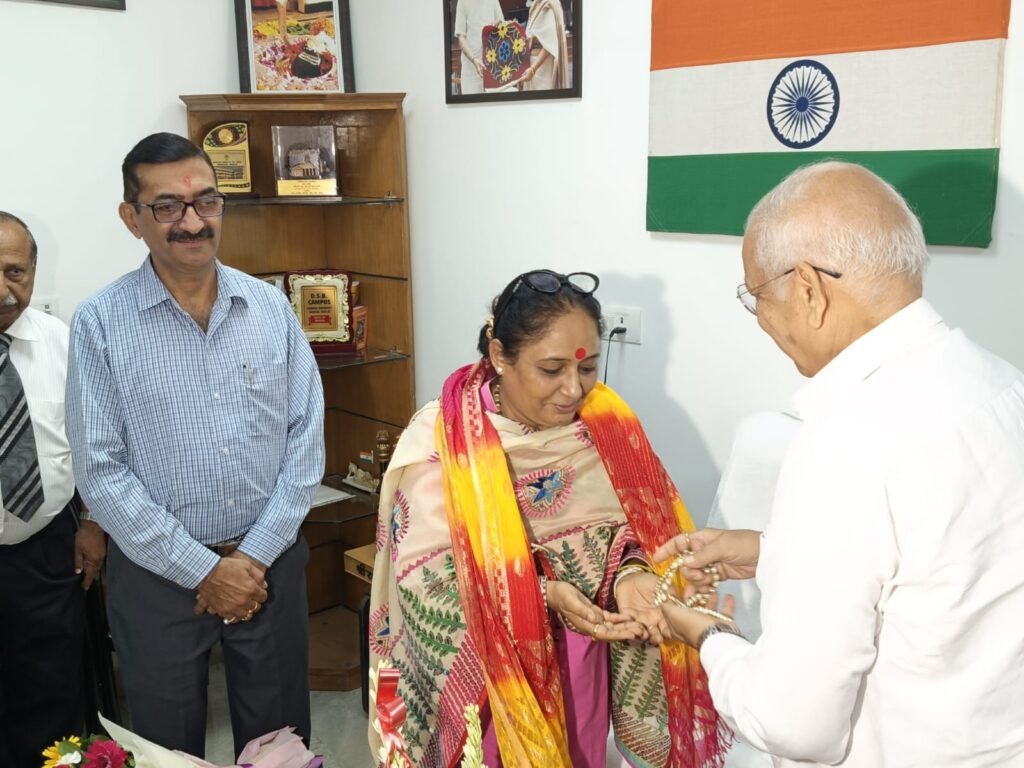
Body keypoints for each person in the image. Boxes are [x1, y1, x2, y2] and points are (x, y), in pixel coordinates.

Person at [655, 162, 1024, 767]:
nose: (762, 321)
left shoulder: (848, 443)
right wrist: (770, 550)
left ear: (807, 289)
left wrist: (708, 636)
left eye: (756, 297)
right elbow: (938, 571)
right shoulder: (1000, 383)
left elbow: (794, 724)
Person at [367, 269, 729, 768]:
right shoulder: (442, 445)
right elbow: (424, 582)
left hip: (581, 659)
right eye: (552, 369)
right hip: (489, 678)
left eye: (587, 368)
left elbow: (634, 530)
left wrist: (631, 576)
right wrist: (540, 595)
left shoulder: (605, 425)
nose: (573, 390)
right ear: (499, 356)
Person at [65, 133, 325, 759]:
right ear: (131, 218)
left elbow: (306, 440)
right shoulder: (100, 323)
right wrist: (204, 569)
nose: (191, 221)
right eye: (166, 206)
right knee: (165, 745)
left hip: (270, 564)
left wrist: (252, 558)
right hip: (158, 578)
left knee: (281, 739)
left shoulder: (268, 307)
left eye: (206, 200)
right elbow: (100, 470)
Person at [0, 212, 106, 768]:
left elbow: (94, 445)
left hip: (46, 549)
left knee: (51, 689)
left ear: (35, 271)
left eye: (14, 271)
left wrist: (92, 523)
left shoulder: (64, 344)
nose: (2, 289)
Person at [453, 0, 504, 94]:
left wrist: (498, 26)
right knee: (472, 106)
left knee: (494, 105)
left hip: (493, 66)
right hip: (471, 68)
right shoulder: (462, 2)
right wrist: (473, 59)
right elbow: (461, 37)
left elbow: (502, 26)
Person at [522, 0, 569, 90]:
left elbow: (549, 45)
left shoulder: (549, 4)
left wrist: (533, 69)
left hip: (542, 66)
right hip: (530, 64)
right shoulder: (535, 5)